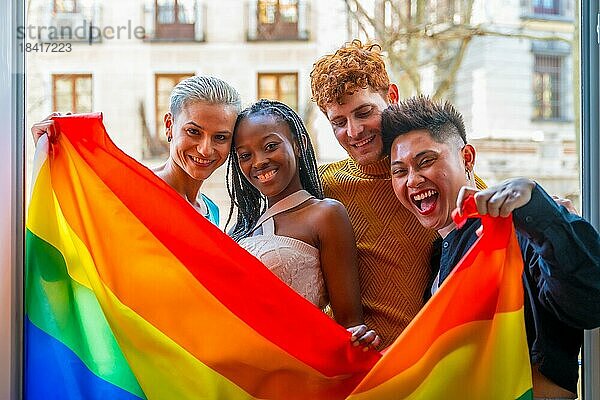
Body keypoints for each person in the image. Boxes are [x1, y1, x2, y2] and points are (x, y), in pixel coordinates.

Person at [381, 95, 600, 398]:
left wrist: (539, 207)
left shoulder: (519, 231)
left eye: (426, 161)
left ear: (467, 158)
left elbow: (591, 300)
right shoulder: (434, 260)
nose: (413, 180)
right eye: (399, 171)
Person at [310, 40, 487, 348]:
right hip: (357, 374)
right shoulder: (325, 188)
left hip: (433, 371)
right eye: (339, 122)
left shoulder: (452, 184)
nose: (354, 132)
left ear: (391, 96)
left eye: (364, 112)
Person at [226, 99, 379, 348]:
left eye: (270, 146)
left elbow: (349, 323)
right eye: (245, 155)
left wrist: (360, 341)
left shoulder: (325, 215)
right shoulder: (240, 230)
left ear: (299, 145)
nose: (259, 161)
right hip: (236, 373)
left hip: (295, 373)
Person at [31, 75, 242, 225]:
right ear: (169, 125)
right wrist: (52, 159)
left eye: (220, 137)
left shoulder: (210, 210)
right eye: (193, 132)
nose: (205, 149)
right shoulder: (132, 193)